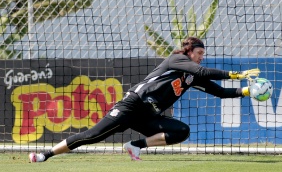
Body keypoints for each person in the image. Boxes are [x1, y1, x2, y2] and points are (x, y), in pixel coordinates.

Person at [29, 37, 260, 162]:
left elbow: (219, 92)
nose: (202, 57)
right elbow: (201, 72)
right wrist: (234, 75)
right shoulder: (176, 60)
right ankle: (45, 155)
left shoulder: (190, 77)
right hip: (132, 105)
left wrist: (247, 92)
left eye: (202, 54)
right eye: (199, 53)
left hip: (148, 116)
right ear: (189, 52)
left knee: (181, 131)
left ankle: (135, 145)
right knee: (92, 136)